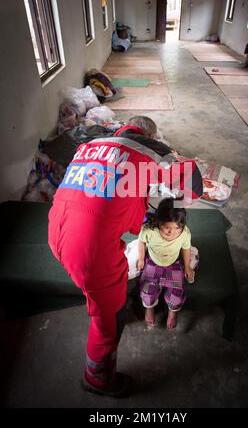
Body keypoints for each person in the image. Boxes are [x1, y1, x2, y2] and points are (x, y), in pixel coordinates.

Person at [48, 115, 203, 397]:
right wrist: (177, 164)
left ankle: (99, 300)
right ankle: (97, 379)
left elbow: (113, 195)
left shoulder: (91, 145)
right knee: (108, 319)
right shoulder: (150, 150)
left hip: (57, 231)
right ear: (151, 136)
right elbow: (194, 183)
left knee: (100, 288)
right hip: (88, 250)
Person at [137, 198, 198, 330]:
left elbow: (186, 248)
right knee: (147, 291)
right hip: (153, 262)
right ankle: (149, 308)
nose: (172, 232)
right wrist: (141, 259)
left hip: (174, 263)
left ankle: (172, 312)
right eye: (166, 227)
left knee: (176, 294)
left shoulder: (185, 233)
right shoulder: (148, 230)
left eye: (177, 227)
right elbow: (141, 242)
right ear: (159, 222)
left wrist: (187, 266)